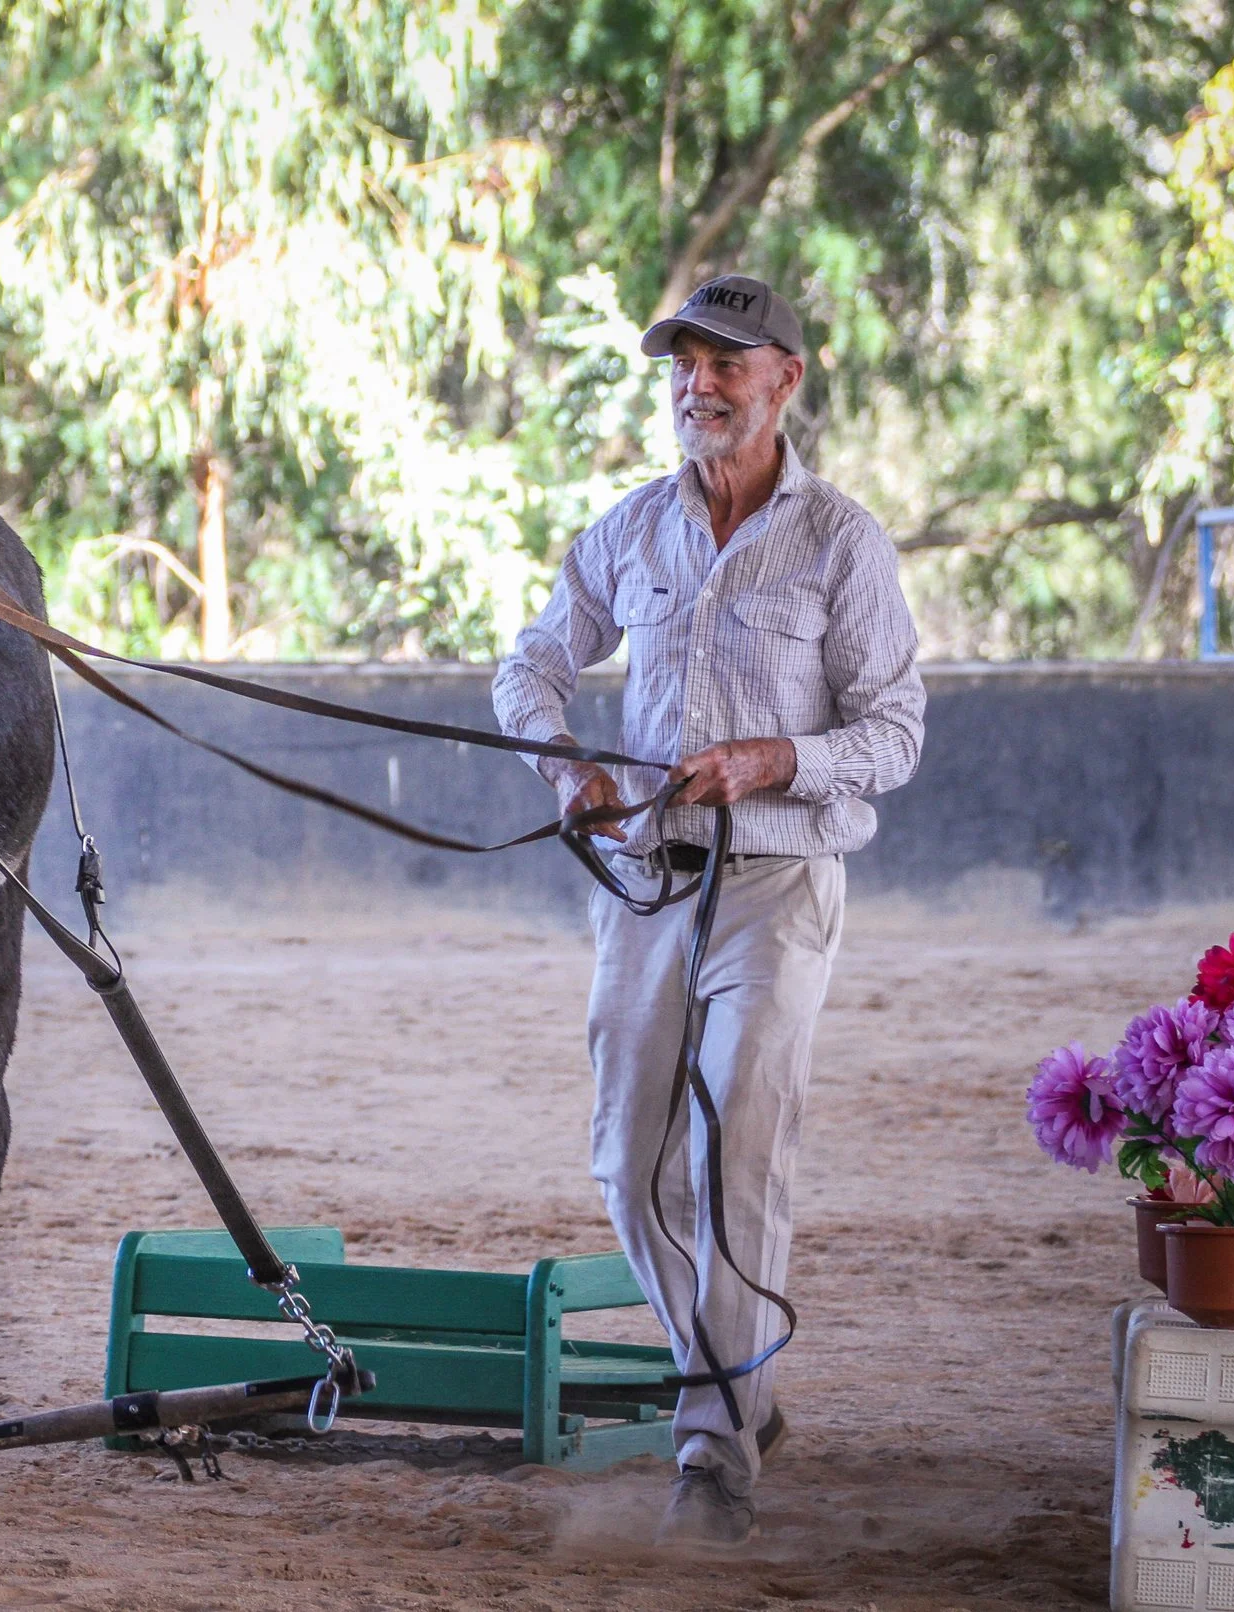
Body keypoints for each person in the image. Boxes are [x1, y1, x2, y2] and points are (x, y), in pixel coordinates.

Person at [491, 273, 927, 1548]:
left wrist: (770, 759)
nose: (699, 383)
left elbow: (893, 729)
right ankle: (736, 1385)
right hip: (645, 884)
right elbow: (531, 662)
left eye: (726, 361)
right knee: (626, 1165)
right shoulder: (628, 530)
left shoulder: (842, 542)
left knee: (735, 1135)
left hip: (777, 883)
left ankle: (709, 1442)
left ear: (786, 377)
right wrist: (564, 763)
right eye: (683, 362)